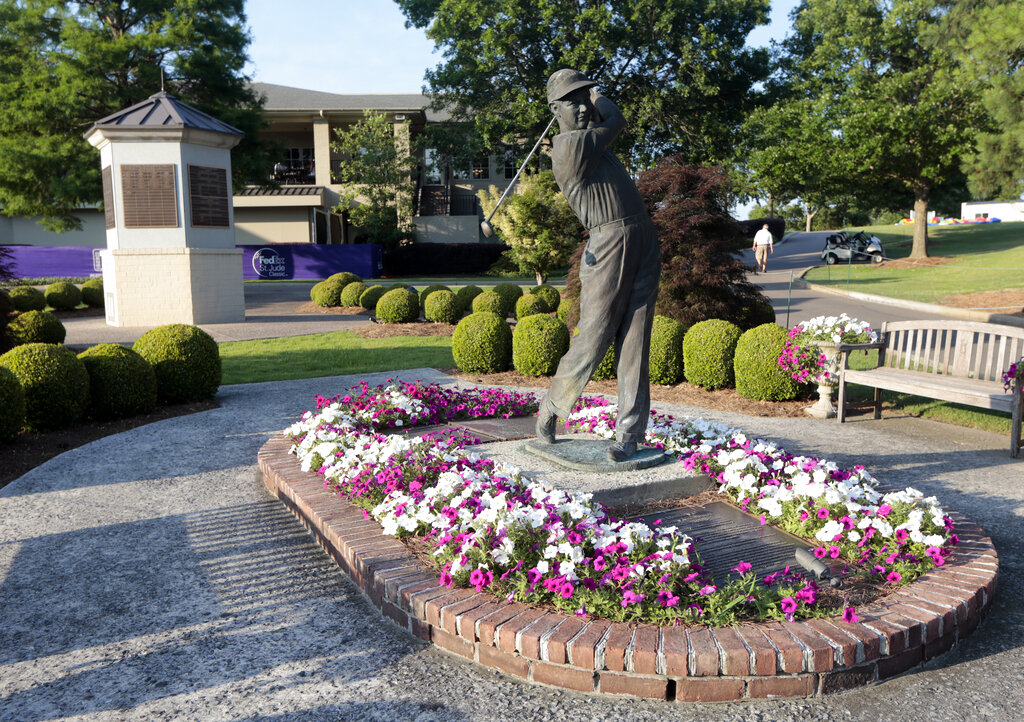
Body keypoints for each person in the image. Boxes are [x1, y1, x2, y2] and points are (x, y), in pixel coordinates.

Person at [535, 69, 661, 462]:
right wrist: (599, 94)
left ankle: (629, 434)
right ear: (556, 109)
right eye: (573, 100)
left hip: (641, 237)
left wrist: (590, 97)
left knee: (636, 339)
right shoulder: (570, 145)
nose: (584, 105)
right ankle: (552, 407)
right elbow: (617, 118)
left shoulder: (594, 143)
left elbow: (609, 120)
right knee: (594, 336)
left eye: (585, 96)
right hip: (609, 244)